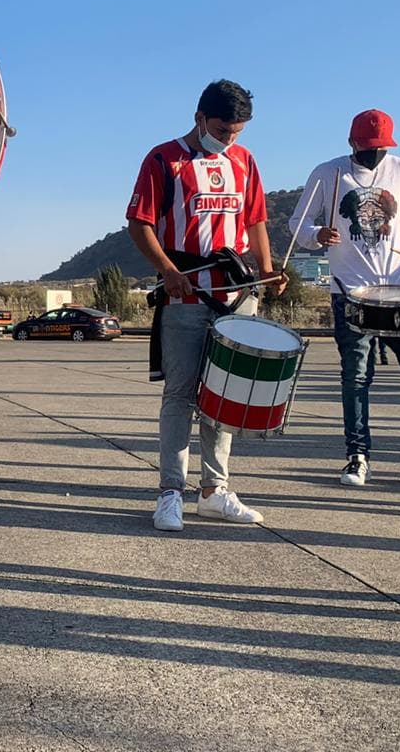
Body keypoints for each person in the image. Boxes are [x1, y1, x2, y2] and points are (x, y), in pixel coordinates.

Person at [126, 79, 282, 532]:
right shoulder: (164, 159)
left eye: (237, 131)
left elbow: (254, 221)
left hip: (237, 295)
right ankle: (170, 492)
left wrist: (267, 271)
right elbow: (139, 224)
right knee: (180, 394)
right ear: (199, 118)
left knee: (225, 398)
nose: (230, 138)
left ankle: (215, 491)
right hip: (186, 294)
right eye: (222, 128)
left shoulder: (244, 160)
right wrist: (168, 271)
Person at [287, 109, 400, 489]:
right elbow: (297, 225)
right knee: (356, 378)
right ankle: (357, 457)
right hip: (350, 292)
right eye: (368, 147)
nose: (375, 154)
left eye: (382, 148)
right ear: (352, 142)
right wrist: (317, 235)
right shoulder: (328, 173)